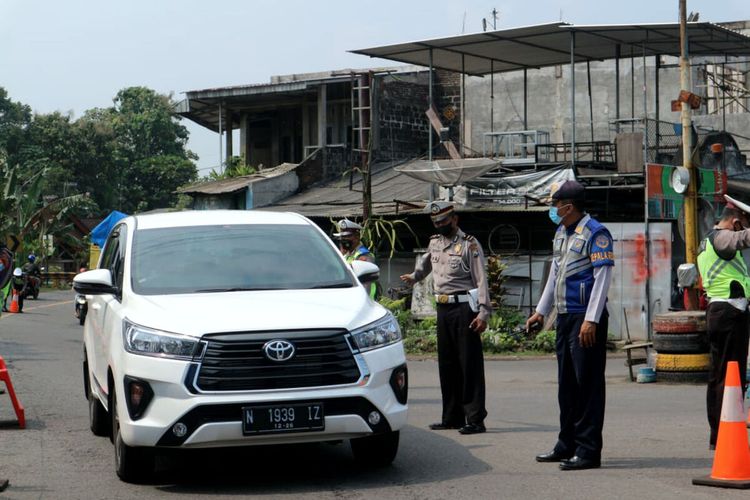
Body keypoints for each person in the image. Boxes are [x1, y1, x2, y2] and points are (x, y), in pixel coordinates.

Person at [526, 180, 614, 471]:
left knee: (587, 385)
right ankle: (567, 443)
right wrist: (541, 311)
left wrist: (592, 319)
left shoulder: (596, 233)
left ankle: (588, 451)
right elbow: (555, 275)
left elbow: (602, 279)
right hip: (564, 316)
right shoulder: (561, 233)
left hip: (584, 318)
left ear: (569, 206)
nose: (553, 209)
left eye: (556, 204)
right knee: (566, 385)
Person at [400, 201, 491, 435]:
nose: (440, 225)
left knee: (468, 365)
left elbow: (481, 280)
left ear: (454, 219)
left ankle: (475, 419)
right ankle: (451, 416)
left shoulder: (469, 244)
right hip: (443, 309)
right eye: (436, 223)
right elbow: (427, 264)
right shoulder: (434, 243)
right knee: (447, 364)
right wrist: (415, 276)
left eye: (443, 221)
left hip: (465, 309)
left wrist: (483, 312)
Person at [696, 194, 750, 450]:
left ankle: (720, 433)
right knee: (730, 376)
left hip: (723, 312)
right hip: (728, 313)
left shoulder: (709, 241)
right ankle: (724, 433)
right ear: (735, 221)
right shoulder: (722, 237)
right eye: (744, 222)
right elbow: (742, 239)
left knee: (721, 375)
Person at [334, 219, 378, 299]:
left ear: (357, 237)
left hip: (363, 300)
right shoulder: (346, 255)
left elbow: (366, 284)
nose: (344, 240)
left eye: (347, 236)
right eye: (342, 237)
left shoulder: (364, 255)